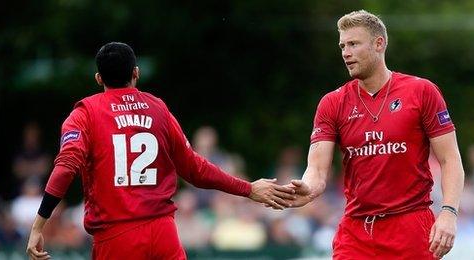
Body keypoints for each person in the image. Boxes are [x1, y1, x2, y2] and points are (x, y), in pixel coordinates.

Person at [25, 42, 295, 260]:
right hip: (164, 234)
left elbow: (65, 168)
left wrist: (39, 225)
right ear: (136, 73)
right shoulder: (158, 109)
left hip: (117, 237)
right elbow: (193, 168)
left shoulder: (85, 113)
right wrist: (248, 189)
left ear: (98, 78)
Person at [284, 10, 465, 259]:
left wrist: (449, 212)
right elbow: (316, 169)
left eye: (353, 44)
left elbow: (450, 159)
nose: (345, 52)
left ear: (379, 44)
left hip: (410, 226)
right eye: (342, 46)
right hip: (356, 231)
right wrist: (308, 188)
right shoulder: (332, 103)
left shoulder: (421, 91)